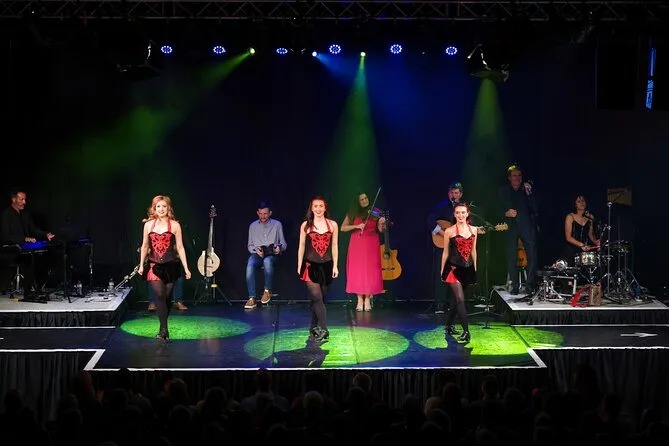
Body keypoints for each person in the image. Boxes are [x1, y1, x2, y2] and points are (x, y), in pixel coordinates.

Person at [138, 195, 192, 341]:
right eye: (158, 206)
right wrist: (141, 265)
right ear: (154, 208)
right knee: (160, 295)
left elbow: (180, 247)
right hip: (154, 266)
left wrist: (186, 268)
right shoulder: (148, 225)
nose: (161, 209)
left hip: (171, 266)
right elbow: (145, 246)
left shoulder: (175, 225)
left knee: (167, 298)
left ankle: (163, 327)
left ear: (168, 208)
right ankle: (164, 330)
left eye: (164, 206)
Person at [297, 196, 339, 343]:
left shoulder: (332, 225)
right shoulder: (306, 226)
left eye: (321, 206)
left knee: (320, 300)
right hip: (310, 266)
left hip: (326, 266)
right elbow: (302, 246)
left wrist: (335, 265)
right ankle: (324, 329)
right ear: (312, 208)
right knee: (316, 297)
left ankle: (313, 327)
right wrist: (299, 264)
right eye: (315, 206)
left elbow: (334, 245)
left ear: (325, 208)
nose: (318, 209)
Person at [0, 189, 54, 299]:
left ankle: (38, 288)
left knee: (41, 255)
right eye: (21, 199)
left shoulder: (25, 214)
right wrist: (24, 239)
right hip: (9, 249)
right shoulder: (6, 215)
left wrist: (45, 235)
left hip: (23, 248)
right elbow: (6, 236)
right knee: (28, 258)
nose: (24, 202)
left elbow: (33, 229)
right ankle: (28, 291)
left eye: (25, 199)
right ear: (14, 199)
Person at [340, 191, 386, 312]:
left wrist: (382, 224)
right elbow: (343, 228)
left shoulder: (375, 212)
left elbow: (381, 230)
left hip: (372, 242)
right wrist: (356, 226)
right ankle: (360, 299)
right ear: (357, 202)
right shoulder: (353, 213)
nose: (365, 201)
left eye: (366, 198)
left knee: (370, 270)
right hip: (357, 243)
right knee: (358, 270)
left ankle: (368, 299)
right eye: (362, 199)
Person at [498, 164, 538, 295]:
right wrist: (505, 213)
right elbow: (495, 210)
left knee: (531, 254)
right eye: (514, 175)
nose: (517, 178)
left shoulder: (526, 190)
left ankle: (530, 285)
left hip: (526, 226)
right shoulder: (503, 191)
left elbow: (535, 209)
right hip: (510, 227)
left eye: (519, 175)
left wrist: (529, 193)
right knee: (511, 256)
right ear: (509, 177)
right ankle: (514, 285)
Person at [441, 201, 477, 342]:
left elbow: (473, 251)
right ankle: (466, 331)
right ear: (454, 214)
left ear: (467, 214)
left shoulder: (473, 230)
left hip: (467, 269)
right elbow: (445, 252)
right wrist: (442, 270)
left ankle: (448, 325)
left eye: (463, 212)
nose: (460, 215)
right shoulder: (449, 231)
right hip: (453, 269)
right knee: (460, 299)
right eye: (457, 213)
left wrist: (475, 269)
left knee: (457, 302)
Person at [426, 182, 464, 313]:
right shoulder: (441, 207)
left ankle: (453, 304)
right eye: (451, 193)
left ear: (460, 194)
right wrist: (443, 233)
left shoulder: (464, 209)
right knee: (442, 273)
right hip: (442, 244)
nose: (453, 195)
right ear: (448, 194)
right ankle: (440, 304)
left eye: (456, 193)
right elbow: (430, 221)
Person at [244, 201, 287, 309]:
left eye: (265, 214)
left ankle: (267, 290)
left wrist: (279, 248)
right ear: (257, 213)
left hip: (273, 255)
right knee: (250, 263)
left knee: (267, 261)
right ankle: (252, 298)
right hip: (258, 254)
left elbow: (284, 243)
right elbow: (250, 245)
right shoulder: (253, 226)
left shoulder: (277, 224)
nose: (263, 216)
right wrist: (256, 250)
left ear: (270, 213)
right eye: (260, 213)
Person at [562, 195, 600, 265]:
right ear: (575, 204)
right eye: (579, 201)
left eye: (583, 201)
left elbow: (590, 234)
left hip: (584, 251)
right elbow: (568, 237)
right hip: (571, 250)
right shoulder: (570, 217)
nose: (582, 203)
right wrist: (581, 245)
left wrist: (596, 241)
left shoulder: (590, 216)